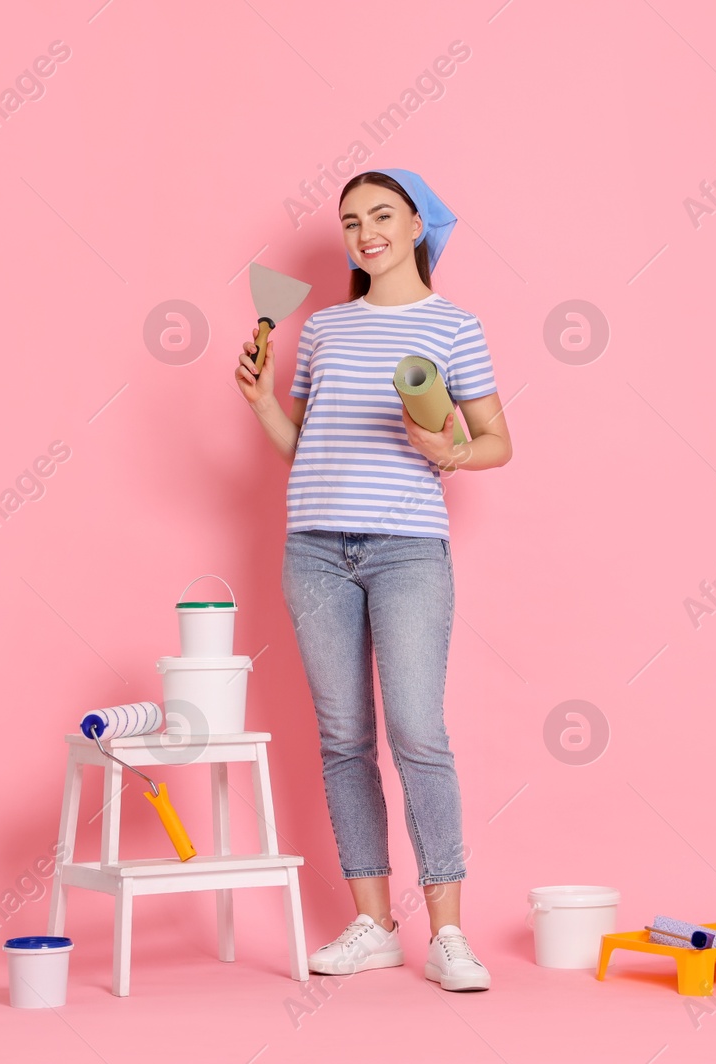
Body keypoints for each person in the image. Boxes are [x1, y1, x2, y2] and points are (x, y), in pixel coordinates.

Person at [234, 168, 512, 992]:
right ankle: (374, 923)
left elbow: (496, 439)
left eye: (382, 215)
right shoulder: (322, 329)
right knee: (344, 739)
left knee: (418, 733)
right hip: (314, 548)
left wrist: (452, 450)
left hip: (407, 551)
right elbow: (305, 442)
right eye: (352, 220)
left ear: (419, 224)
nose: (365, 233)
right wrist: (260, 405)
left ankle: (450, 933)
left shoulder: (455, 328)